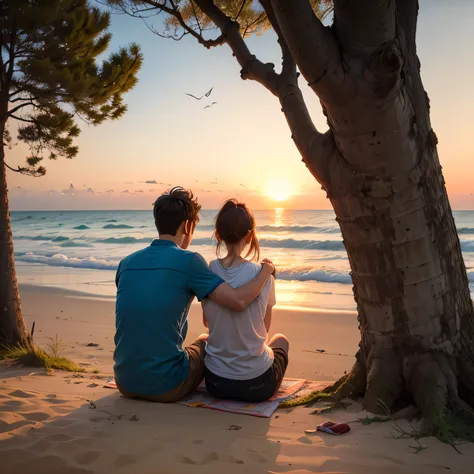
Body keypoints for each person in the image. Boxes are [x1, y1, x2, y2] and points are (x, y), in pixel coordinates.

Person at [113, 187, 275, 403]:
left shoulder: (126, 263)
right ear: (187, 225)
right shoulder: (189, 261)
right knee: (203, 339)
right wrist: (266, 271)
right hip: (167, 387)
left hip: (124, 382)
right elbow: (238, 300)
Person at [202, 199, 289, 403]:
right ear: (249, 235)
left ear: (217, 234)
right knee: (281, 340)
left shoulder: (207, 273)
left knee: (203, 337)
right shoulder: (263, 275)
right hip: (257, 385)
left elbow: (207, 323)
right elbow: (264, 329)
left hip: (216, 383)